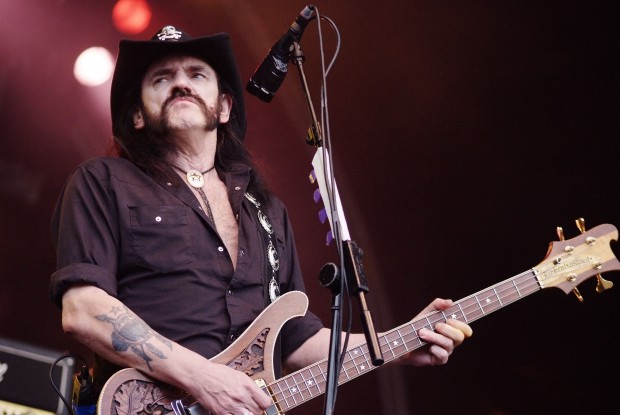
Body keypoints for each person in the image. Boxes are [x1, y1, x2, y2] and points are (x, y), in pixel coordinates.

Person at [50, 25, 472, 415]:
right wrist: (202, 378)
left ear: (224, 107)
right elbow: (82, 309)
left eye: (197, 74)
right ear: (137, 115)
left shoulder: (265, 210)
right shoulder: (102, 181)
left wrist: (398, 344)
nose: (181, 83)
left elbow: (295, 341)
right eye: (161, 78)